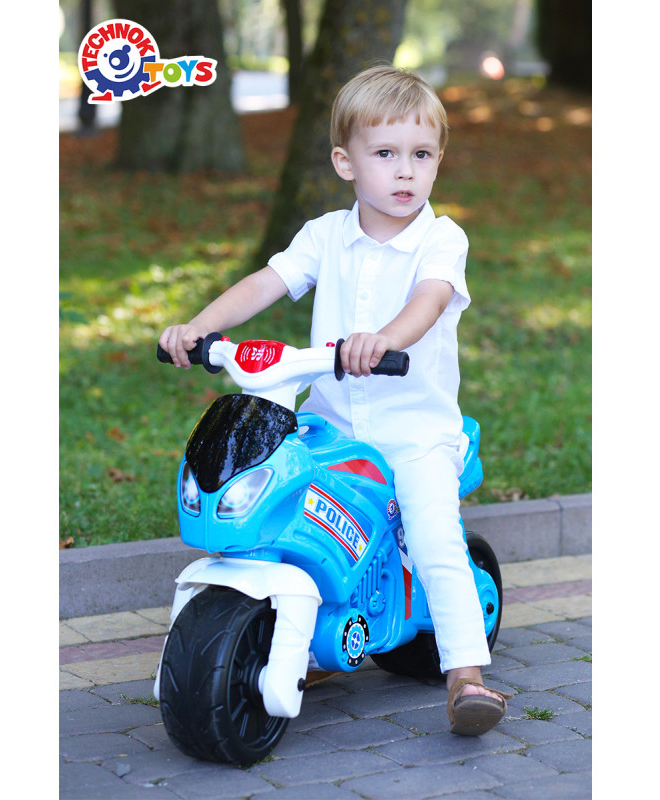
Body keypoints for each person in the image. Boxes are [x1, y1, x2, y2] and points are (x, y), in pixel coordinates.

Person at [158, 64, 509, 736]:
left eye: (421, 155)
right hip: (332, 425)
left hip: (415, 431)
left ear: (439, 161)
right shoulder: (324, 235)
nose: (405, 171)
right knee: (292, 516)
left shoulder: (442, 239)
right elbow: (266, 283)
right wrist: (201, 327)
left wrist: (384, 339)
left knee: (434, 534)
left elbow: (430, 300)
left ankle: (465, 674)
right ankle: (307, 633)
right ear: (345, 163)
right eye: (386, 154)